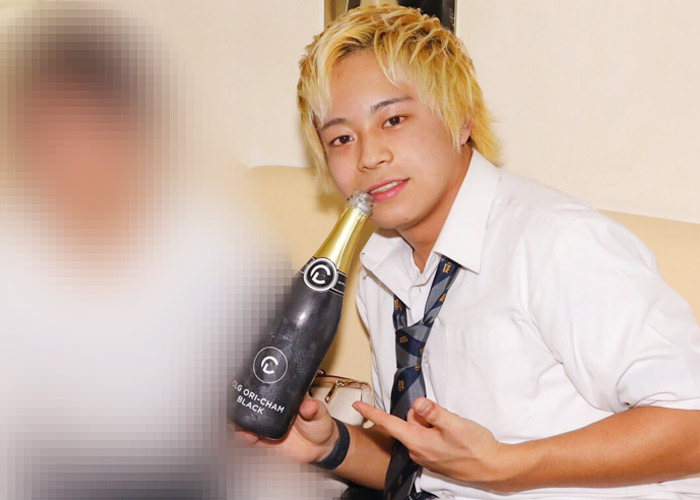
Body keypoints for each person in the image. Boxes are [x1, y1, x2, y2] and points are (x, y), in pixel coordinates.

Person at [236, 5, 700, 499]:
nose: (369, 157)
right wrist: (331, 446)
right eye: (342, 138)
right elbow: (430, 472)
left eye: (394, 119)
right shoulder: (380, 266)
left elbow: (692, 422)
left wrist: (507, 465)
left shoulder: (557, 244)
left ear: (460, 120)